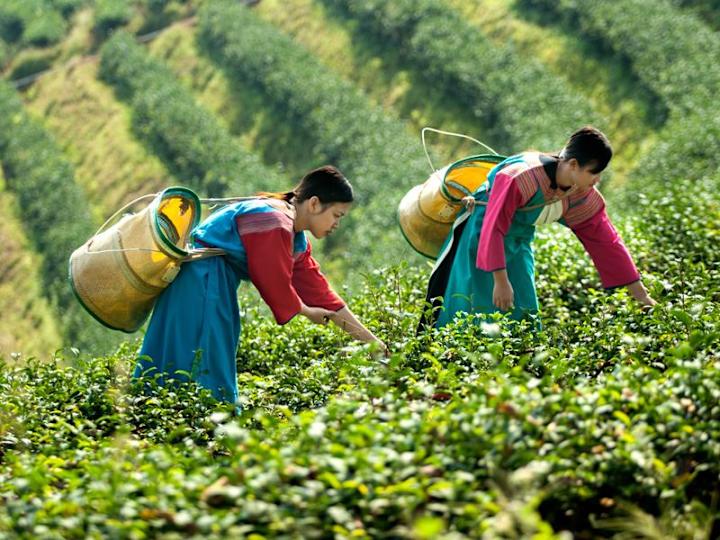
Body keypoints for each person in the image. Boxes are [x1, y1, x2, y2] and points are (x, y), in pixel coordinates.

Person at [134, 165, 387, 404]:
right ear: (314, 203)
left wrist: (372, 342)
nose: (336, 224)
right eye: (336, 215)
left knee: (182, 361)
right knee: (203, 365)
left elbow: (322, 296)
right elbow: (273, 281)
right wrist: (307, 312)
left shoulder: (294, 237)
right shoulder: (275, 221)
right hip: (202, 283)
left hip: (207, 283)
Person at [420, 126, 656, 330]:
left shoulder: (579, 193)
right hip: (482, 238)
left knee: (523, 305)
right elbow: (492, 227)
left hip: (518, 241)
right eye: (594, 173)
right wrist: (501, 281)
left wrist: (641, 295)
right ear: (573, 165)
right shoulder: (520, 177)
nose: (597, 181)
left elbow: (606, 241)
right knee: (474, 302)